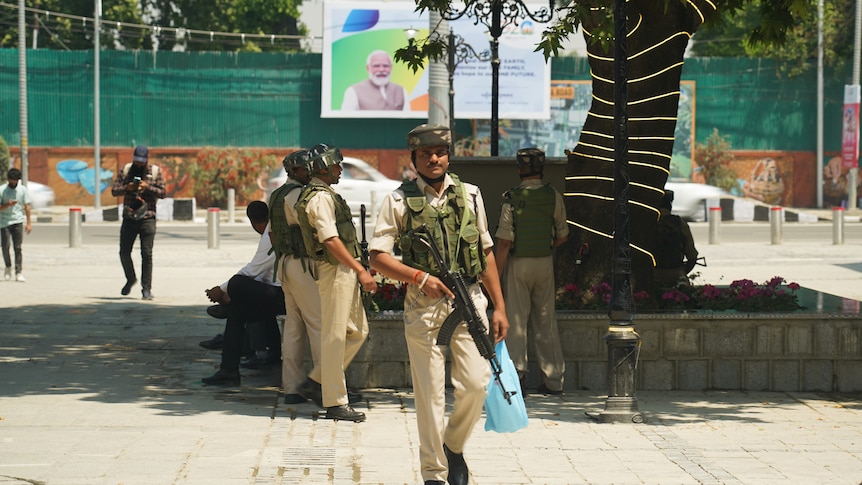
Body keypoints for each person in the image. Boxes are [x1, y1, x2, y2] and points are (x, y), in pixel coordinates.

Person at [368, 123, 508, 485]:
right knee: (429, 393)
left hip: (470, 297)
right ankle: (434, 472)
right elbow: (377, 257)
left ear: (448, 155)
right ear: (413, 158)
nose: (434, 158)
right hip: (424, 303)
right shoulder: (398, 201)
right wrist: (419, 277)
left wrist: (500, 306)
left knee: (477, 384)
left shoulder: (471, 195)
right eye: (426, 153)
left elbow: (487, 252)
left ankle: (453, 446)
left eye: (440, 152)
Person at [294, 143, 376, 422]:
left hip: (342, 270)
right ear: (324, 168)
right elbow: (330, 240)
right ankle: (335, 401)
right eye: (337, 165)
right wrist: (360, 270)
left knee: (357, 330)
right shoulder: (319, 198)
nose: (341, 170)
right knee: (336, 334)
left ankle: (318, 381)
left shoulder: (326, 194)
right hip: (334, 270)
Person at [494, 148, 568, 396]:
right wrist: (545, 247)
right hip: (544, 262)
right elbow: (563, 235)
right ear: (542, 168)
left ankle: (518, 378)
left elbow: (504, 242)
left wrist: (495, 274)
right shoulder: (553, 195)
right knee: (545, 320)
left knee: (516, 321)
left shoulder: (512, 198)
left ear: (519, 169)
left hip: (518, 264)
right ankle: (554, 380)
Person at [202, 201, 286, 386]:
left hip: (286, 296)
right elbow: (262, 272)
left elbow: (252, 271)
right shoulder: (273, 232)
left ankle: (228, 303)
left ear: (252, 221)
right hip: (277, 294)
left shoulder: (270, 235)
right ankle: (229, 370)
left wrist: (222, 290)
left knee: (237, 283)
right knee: (237, 311)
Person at [269, 149, 324, 405]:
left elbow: (272, 234)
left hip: (285, 264)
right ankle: (324, 385)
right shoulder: (297, 196)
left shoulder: (276, 194)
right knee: (317, 323)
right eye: (307, 169)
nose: (311, 172)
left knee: (294, 327)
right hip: (303, 264)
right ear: (296, 171)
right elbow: (313, 228)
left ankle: (291, 387)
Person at [111, 145, 166, 300]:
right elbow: (115, 190)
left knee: (146, 254)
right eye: (137, 160)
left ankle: (146, 289)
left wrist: (147, 187)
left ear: (146, 159)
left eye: (142, 161)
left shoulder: (154, 172)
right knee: (124, 252)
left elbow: (163, 193)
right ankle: (130, 278)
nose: (139, 164)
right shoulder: (126, 170)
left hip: (147, 218)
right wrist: (127, 188)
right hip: (129, 217)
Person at [653, 189, 699, 287]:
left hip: (651, 277)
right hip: (676, 275)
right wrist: (681, 271)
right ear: (669, 205)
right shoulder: (680, 224)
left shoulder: (646, 224)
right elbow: (692, 256)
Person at [341, 50, 410, 111]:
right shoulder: (353, 91)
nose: (381, 70)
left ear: (391, 67)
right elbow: (345, 121)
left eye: (385, 66)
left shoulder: (401, 90)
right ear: (368, 68)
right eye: (376, 66)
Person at [0, 168, 32, 282]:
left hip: (17, 221)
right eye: (12, 180)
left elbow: (27, 207)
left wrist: (28, 223)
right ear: (8, 179)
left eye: (16, 181)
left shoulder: (22, 190)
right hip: (4, 222)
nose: (14, 183)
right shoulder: (2, 190)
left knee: (17, 247)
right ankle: (8, 267)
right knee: (5, 246)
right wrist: (7, 205)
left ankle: (18, 272)